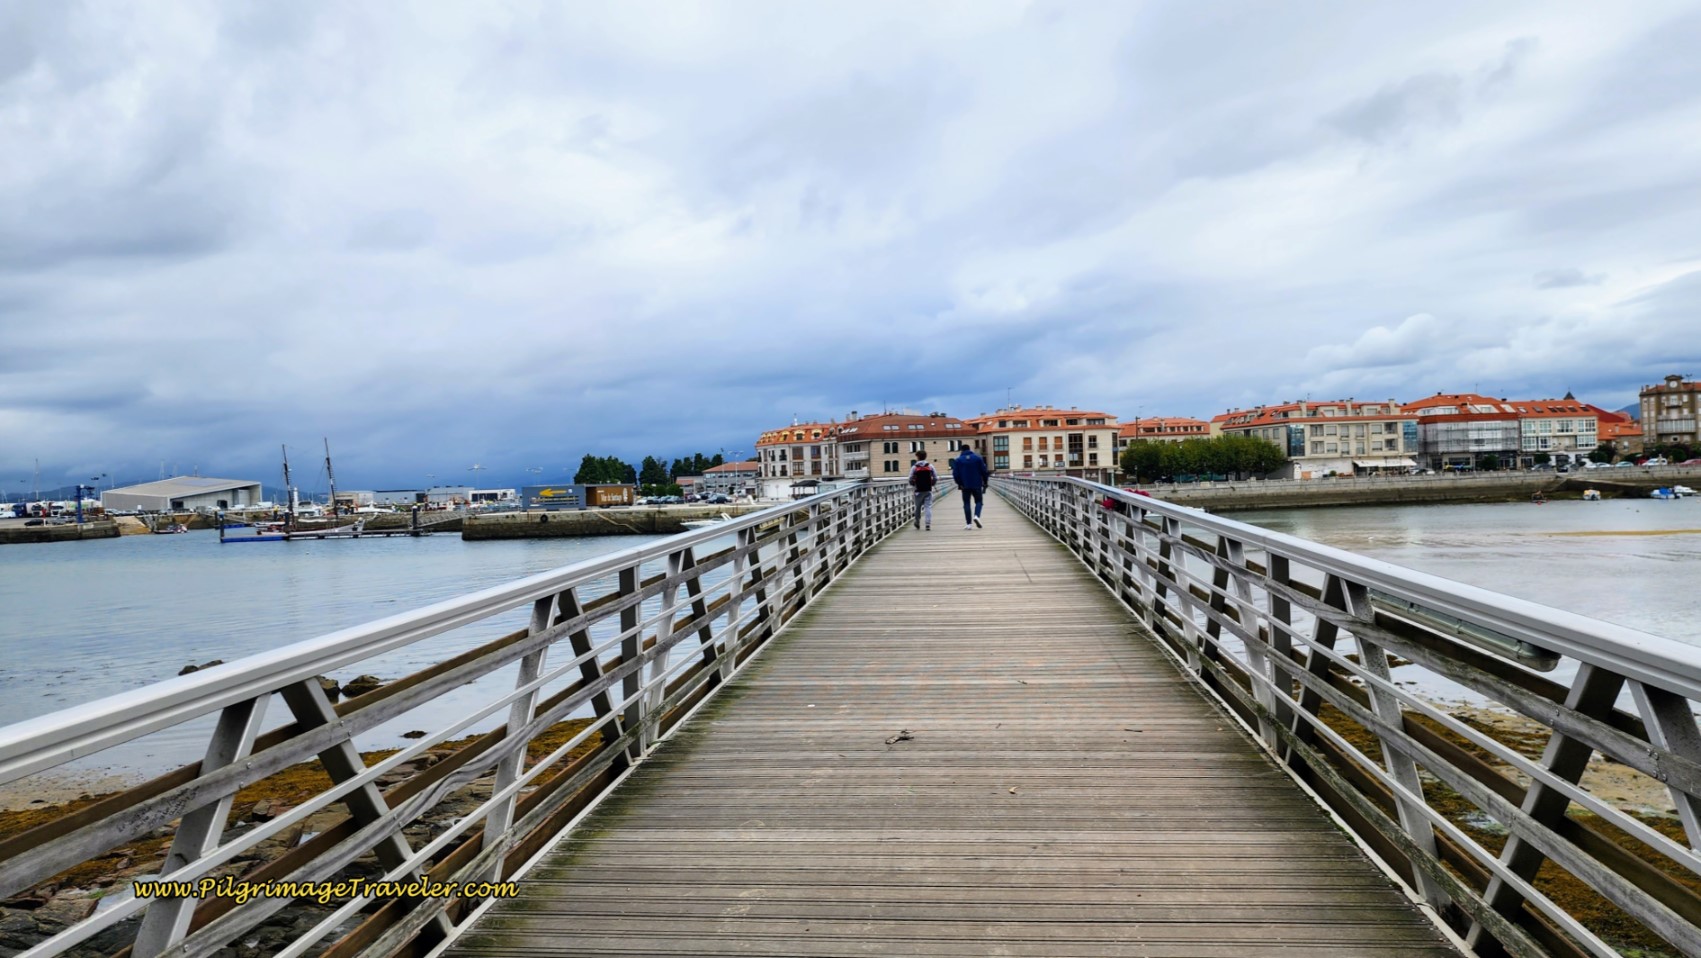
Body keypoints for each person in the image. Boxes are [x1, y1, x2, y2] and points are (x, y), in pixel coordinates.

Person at [950, 445, 990, 529]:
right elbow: (984, 471)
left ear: (961, 450)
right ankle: (976, 516)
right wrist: (985, 482)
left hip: (965, 485)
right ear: (969, 449)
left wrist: (959, 483)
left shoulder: (958, 460)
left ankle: (969, 524)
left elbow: (955, 474)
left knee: (966, 503)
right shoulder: (978, 458)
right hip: (977, 484)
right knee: (979, 501)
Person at [908, 451, 936, 530]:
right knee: (928, 507)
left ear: (917, 457)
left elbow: (910, 478)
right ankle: (927, 524)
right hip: (928, 489)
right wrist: (932, 484)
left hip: (918, 490)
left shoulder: (914, 467)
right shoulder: (930, 466)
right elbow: (935, 477)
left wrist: (913, 484)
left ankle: (917, 521)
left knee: (918, 507)